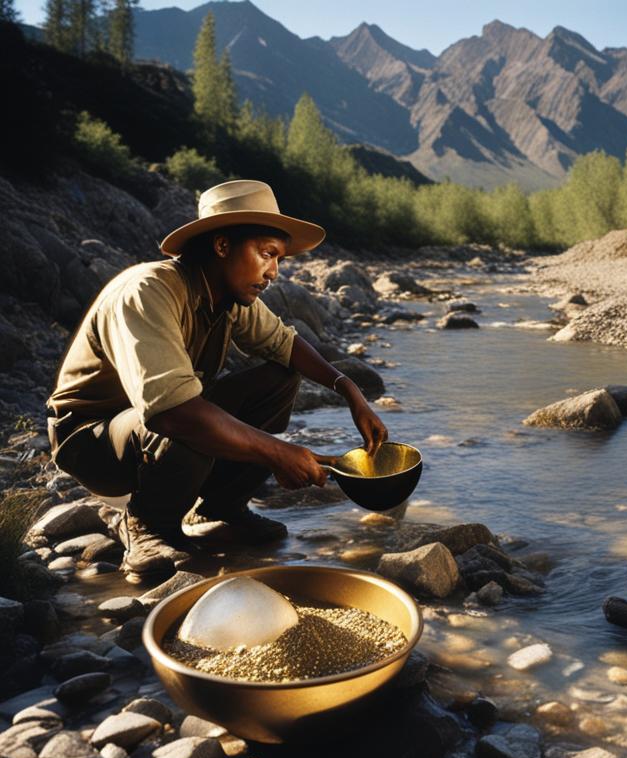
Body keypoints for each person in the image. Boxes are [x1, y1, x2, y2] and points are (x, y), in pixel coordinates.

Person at [46, 180, 387, 581]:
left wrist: (350, 391)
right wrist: (277, 452)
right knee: (186, 418)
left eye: (278, 259)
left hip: (152, 420)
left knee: (280, 380)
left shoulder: (227, 296)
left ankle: (221, 507)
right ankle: (146, 527)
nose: (273, 271)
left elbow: (285, 344)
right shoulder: (147, 291)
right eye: (266, 254)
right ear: (222, 246)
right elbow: (173, 413)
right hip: (90, 440)